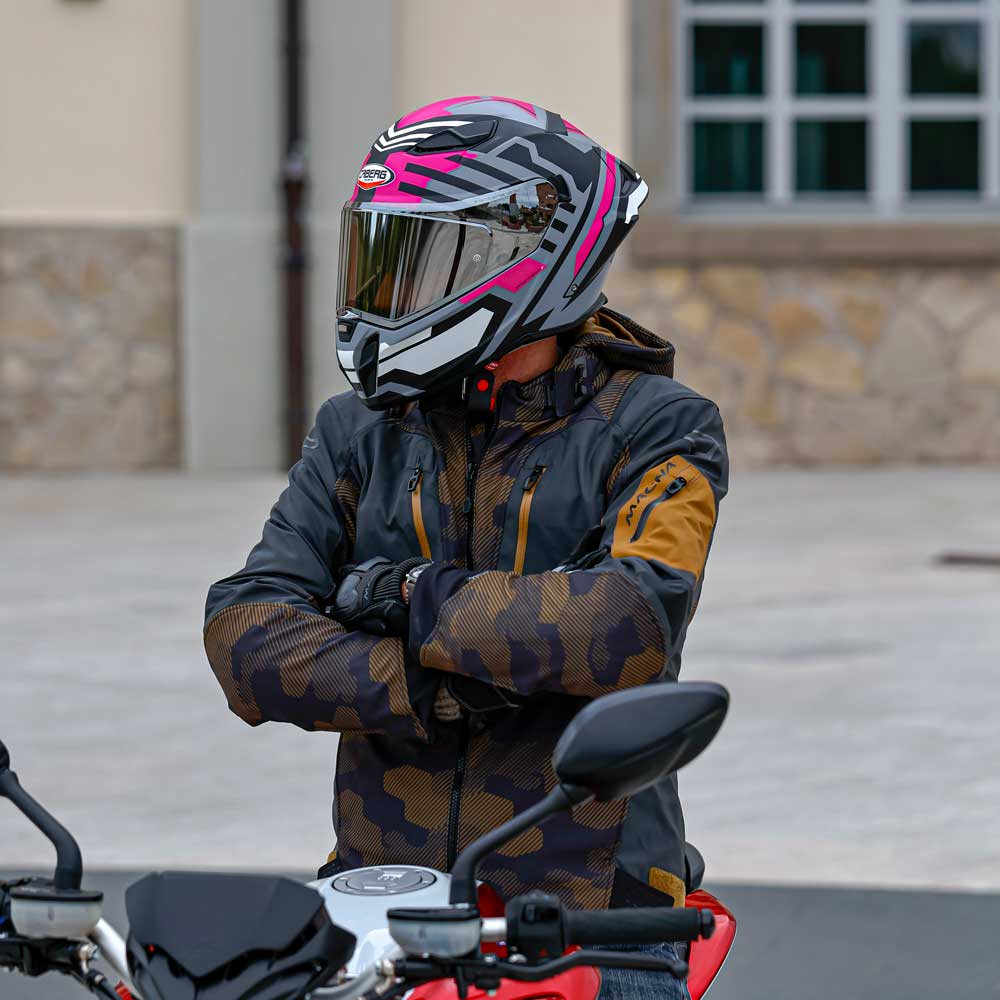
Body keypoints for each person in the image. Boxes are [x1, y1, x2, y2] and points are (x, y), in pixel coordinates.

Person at [204, 96, 728, 1000]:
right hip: (379, 902)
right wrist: (438, 686)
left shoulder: (661, 428)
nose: (391, 291)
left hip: (594, 914)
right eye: (384, 255)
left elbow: (623, 623)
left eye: (425, 259)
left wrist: (406, 594)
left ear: (535, 263)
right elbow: (247, 636)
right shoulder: (358, 430)